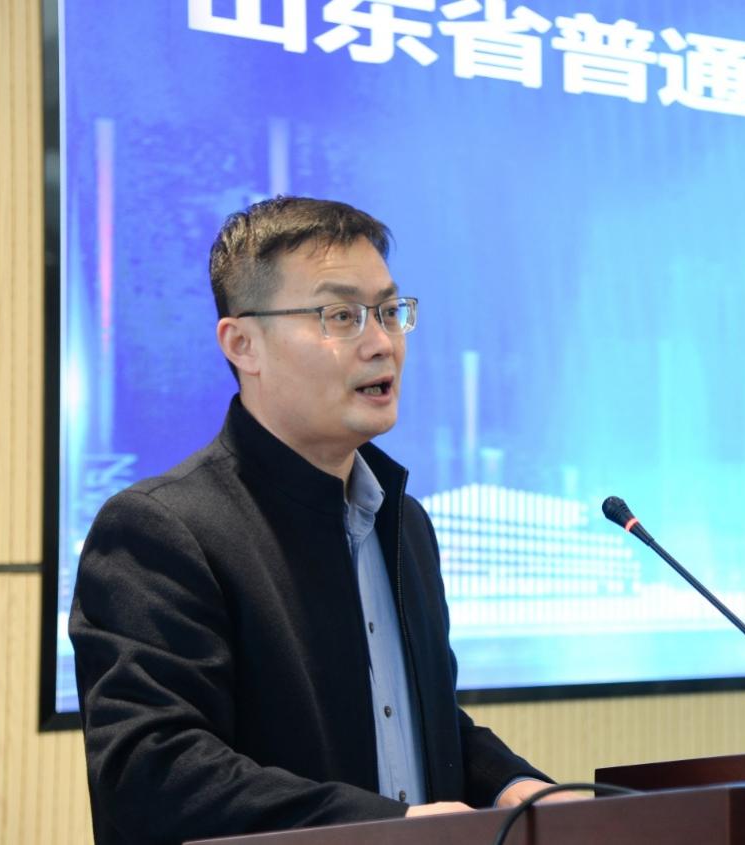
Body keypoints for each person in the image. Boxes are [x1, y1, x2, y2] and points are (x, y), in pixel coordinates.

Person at [70, 197, 564, 845]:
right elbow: (153, 773)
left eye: (389, 311)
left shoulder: (404, 522)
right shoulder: (159, 529)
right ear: (243, 344)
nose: (382, 343)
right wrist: (386, 828)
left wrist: (511, 785)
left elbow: (411, 721)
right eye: (341, 316)